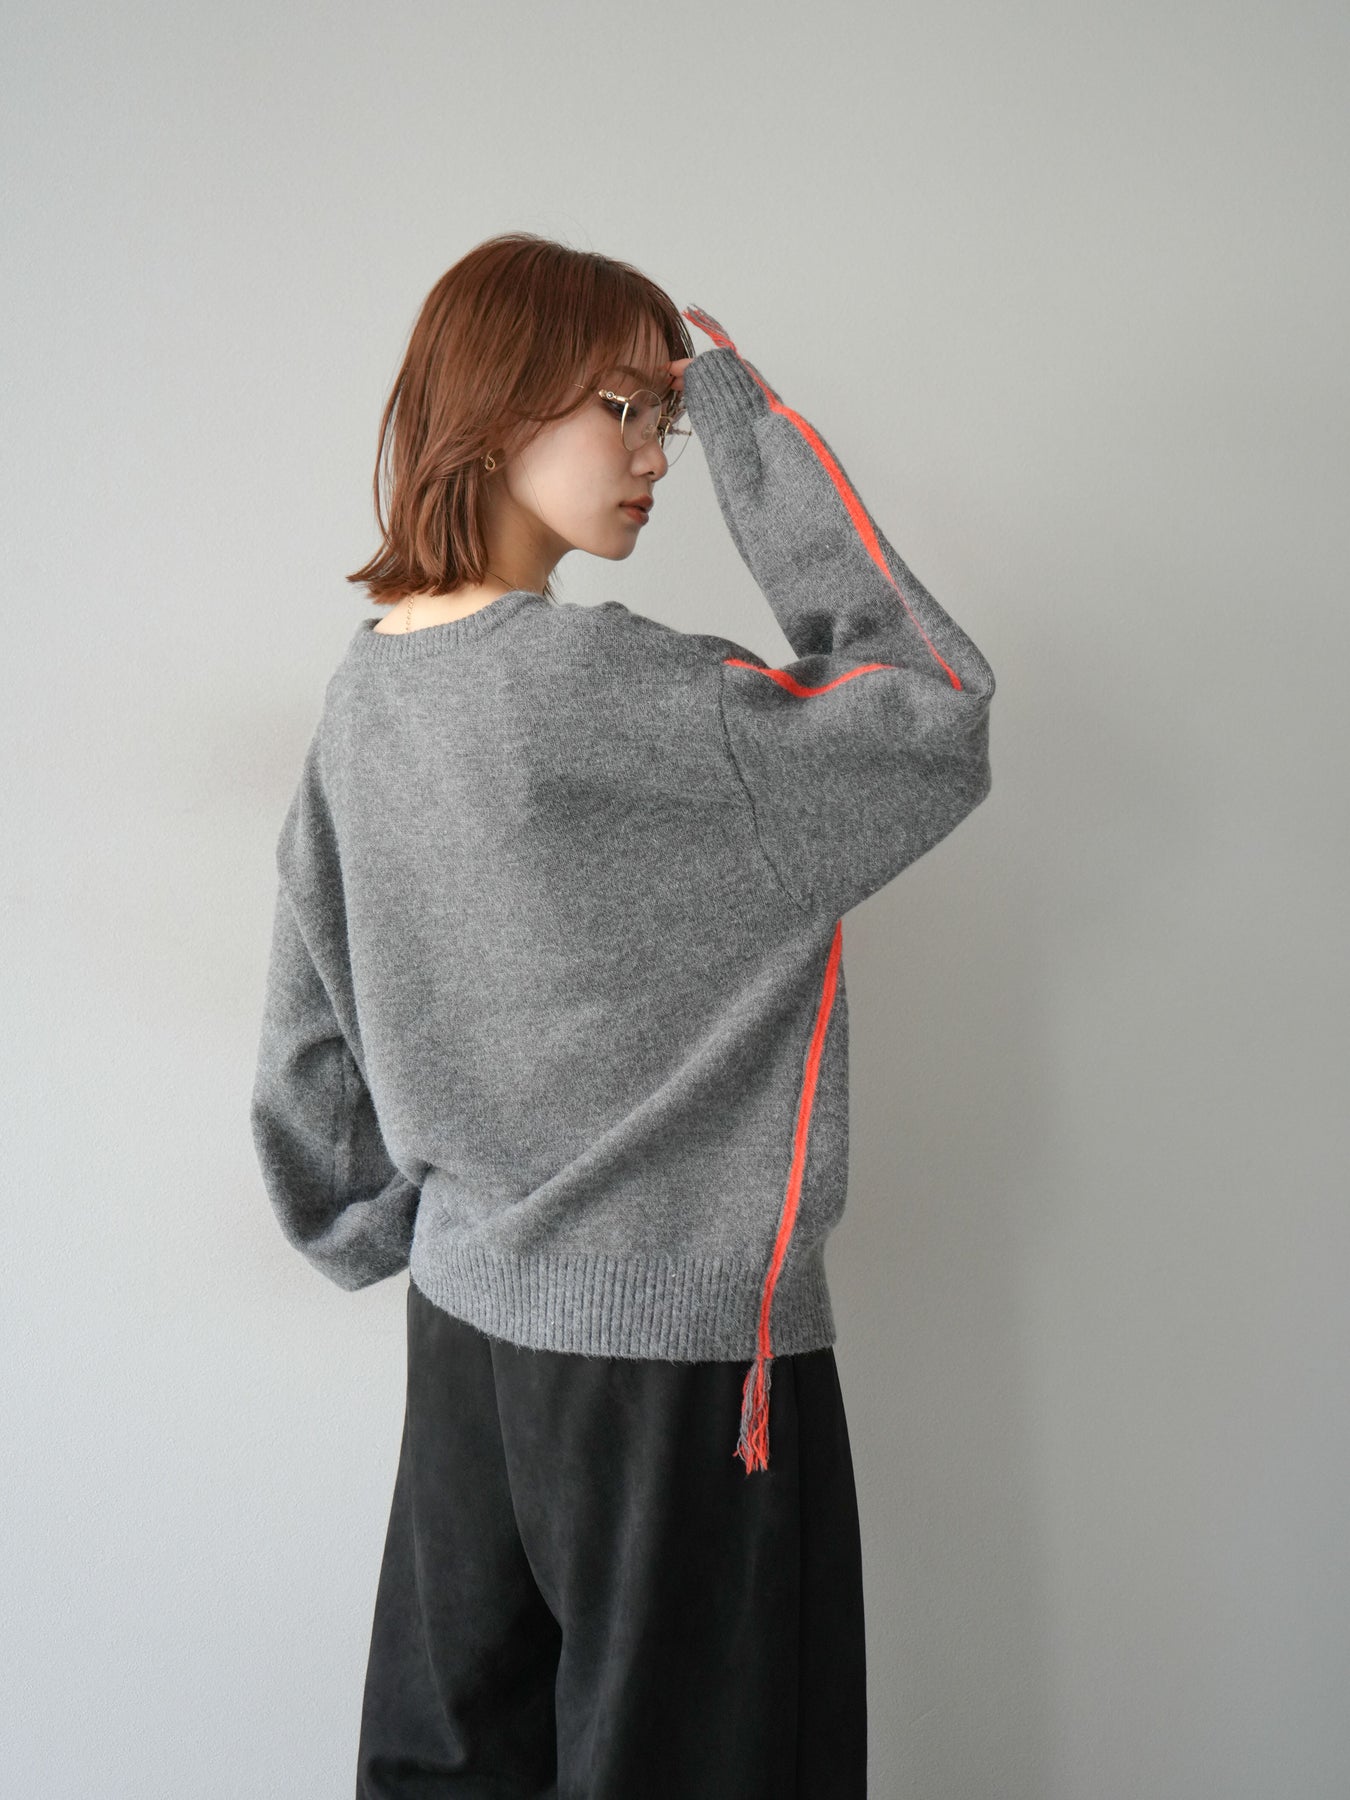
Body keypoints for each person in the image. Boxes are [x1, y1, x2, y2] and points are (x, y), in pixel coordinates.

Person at [249, 231, 996, 1798]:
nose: (656, 453)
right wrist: (747, 422)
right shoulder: (630, 694)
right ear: (498, 404)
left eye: (670, 418)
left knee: (456, 1764)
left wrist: (378, 1225)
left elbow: (312, 1019)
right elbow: (930, 714)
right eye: (623, 409)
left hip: (467, 1332)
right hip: (677, 1367)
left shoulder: (366, 690)